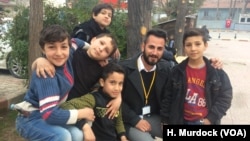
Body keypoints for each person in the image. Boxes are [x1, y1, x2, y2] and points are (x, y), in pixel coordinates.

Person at [14, 25, 95, 141]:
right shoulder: (47, 74)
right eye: (52, 47)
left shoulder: (68, 54)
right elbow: (50, 115)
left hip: (48, 114)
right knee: (62, 136)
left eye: (63, 47)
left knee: (77, 134)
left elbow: (77, 42)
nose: (59, 53)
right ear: (43, 49)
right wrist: (81, 113)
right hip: (30, 118)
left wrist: (91, 49)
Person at [33, 33, 121, 119]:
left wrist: (118, 97)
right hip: (53, 100)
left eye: (106, 50)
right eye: (101, 43)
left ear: (106, 57)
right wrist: (40, 60)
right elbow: (67, 46)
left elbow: (116, 80)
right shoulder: (74, 52)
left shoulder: (102, 68)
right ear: (93, 40)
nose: (101, 49)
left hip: (74, 106)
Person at [161, 28, 232, 125]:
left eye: (198, 44)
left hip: (204, 121)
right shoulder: (176, 71)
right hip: (180, 120)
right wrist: (165, 120)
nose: (193, 48)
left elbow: (225, 97)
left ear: (205, 45)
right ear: (184, 47)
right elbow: (168, 97)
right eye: (188, 45)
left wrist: (210, 119)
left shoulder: (216, 73)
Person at [119, 29, 171, 141]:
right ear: (143, 46)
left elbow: (184, 72)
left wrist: (211, 65)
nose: (155, 52)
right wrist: (135, 120)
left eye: (160, 49)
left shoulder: (166, 69)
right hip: (129, 120)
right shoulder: (124, 69)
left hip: (153, 117)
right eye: (151, 47)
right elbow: (115, 99)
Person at [60, 62, 128, 141]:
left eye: (120, 84)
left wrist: (123, 137)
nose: (117, 88)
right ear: (102, 82)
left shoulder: (116, 101)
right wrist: (83, 124)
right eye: (112, 83)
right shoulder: (92, 98)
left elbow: (118, 122)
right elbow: (65, 106)